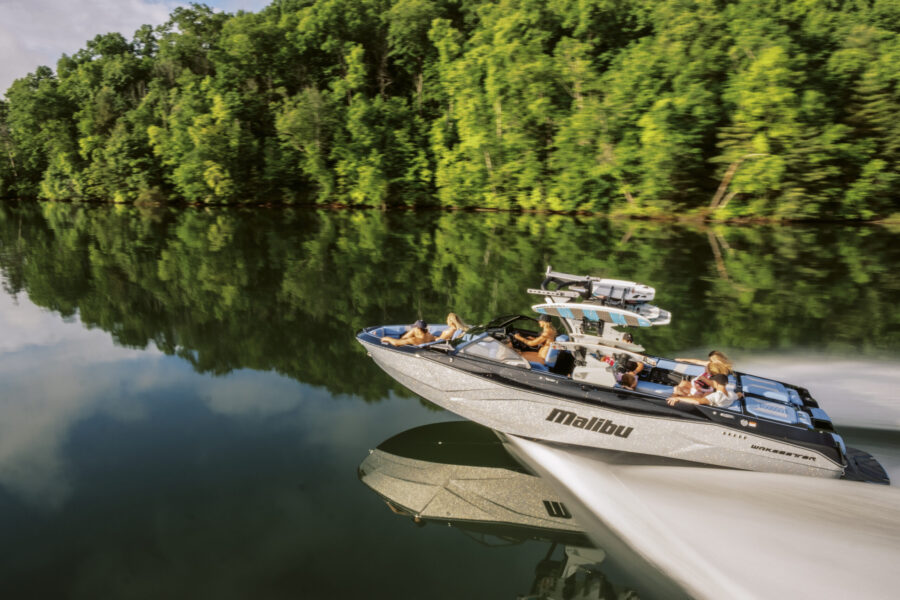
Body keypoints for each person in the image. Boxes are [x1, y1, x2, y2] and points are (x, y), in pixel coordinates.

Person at [667, 373, 739, 407]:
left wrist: (677, 398)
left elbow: (698, 401)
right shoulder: (731, 394)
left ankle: (673, 396)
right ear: (726, 383)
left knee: (677, 390)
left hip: (704, 409)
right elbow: (740, 395)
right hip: (718, 405)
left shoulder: (716, 396)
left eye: (712, 383)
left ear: (715, 383)